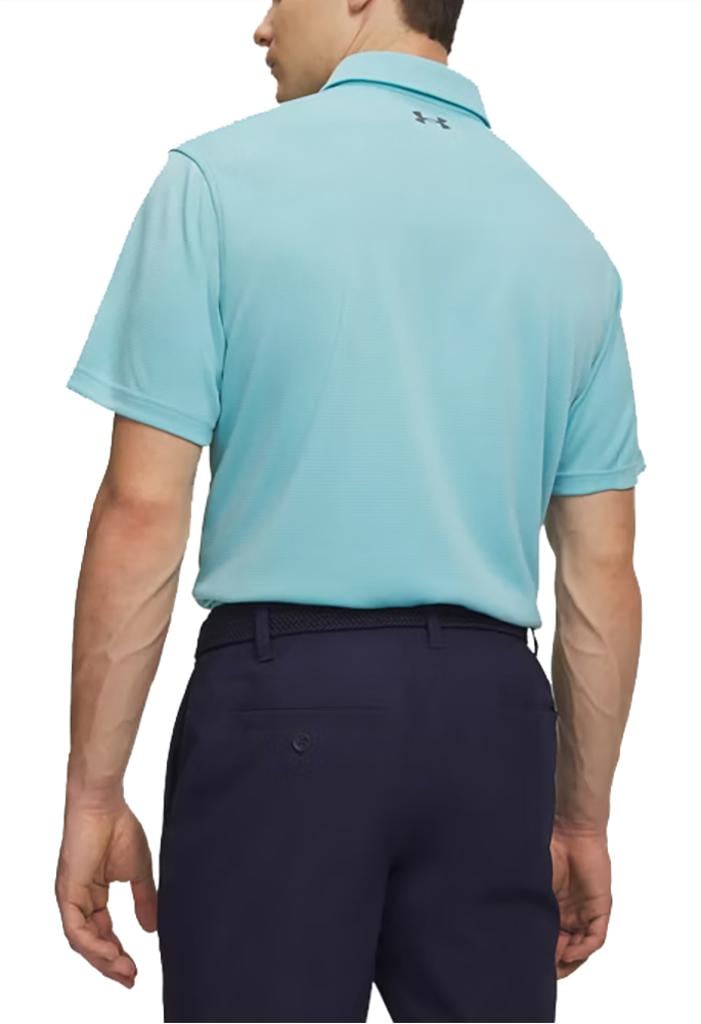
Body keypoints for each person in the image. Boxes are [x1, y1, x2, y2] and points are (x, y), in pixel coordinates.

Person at [55, 1, 646, 1021]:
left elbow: (141, 511)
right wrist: (581, 818)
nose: (261, 25)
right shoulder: (569, 246)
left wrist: (94, 795)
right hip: (493, 727)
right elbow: (599, 572)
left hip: (283, 706)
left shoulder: (215, 184)